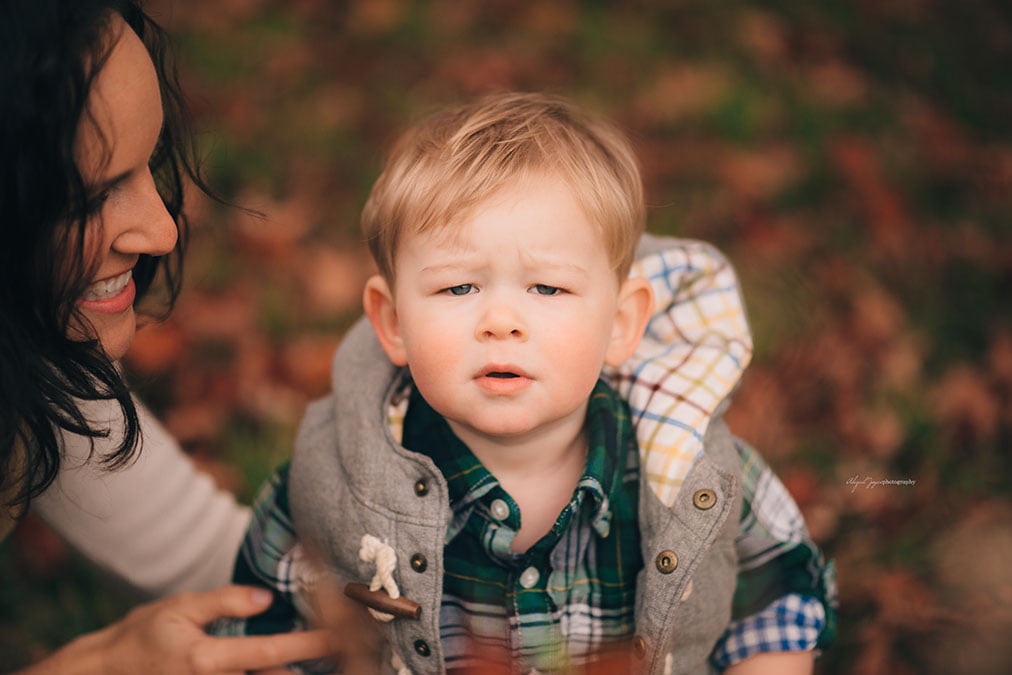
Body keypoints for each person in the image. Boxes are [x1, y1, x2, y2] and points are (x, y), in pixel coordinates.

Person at [220, 93, 837, 673]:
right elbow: (268, 630)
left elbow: (778, 588)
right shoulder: (333, 476)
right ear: (393, 322)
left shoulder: (691, 474)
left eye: (548, 288)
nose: (501, 322)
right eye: (458, 287)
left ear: (620, 324)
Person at [0, 1, 335, 671]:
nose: (162, 230)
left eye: (147, 163)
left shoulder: (36, 347)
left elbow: (205, 557)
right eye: (87, 198)